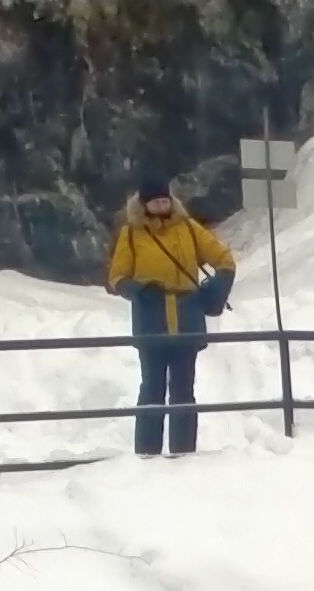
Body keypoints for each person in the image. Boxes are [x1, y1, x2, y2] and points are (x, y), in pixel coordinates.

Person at [107, 173, 236, 457]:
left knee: (183, 389)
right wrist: (138, 290)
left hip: (186, 319)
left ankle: (183, 452)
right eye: (156, 201)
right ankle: (147, 453)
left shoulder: (188, 229)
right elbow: (117, 276)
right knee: (151, 388)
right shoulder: (131, 234)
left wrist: (214, 293)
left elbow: (224, 260)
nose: (162, 204)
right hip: (151, 322)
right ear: (144, 205)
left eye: (165, 199)